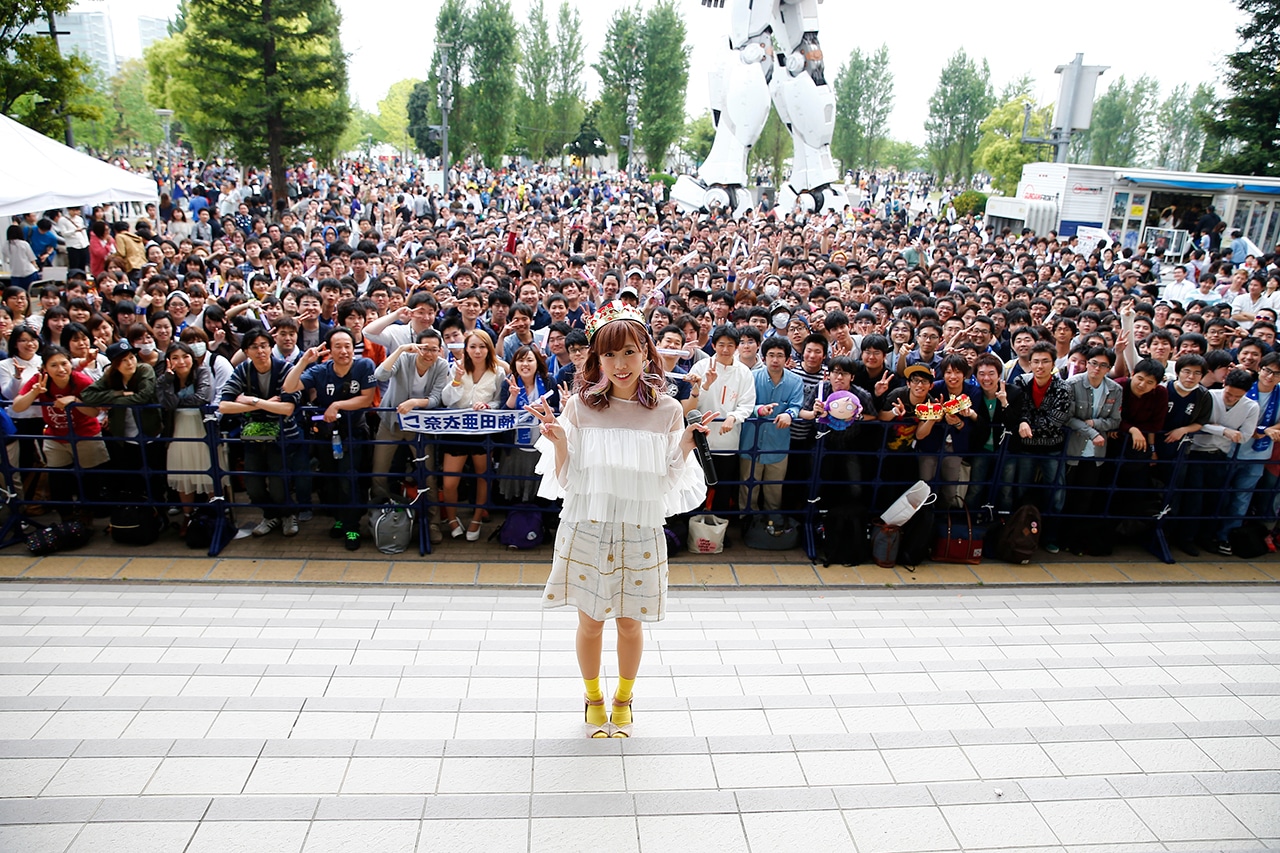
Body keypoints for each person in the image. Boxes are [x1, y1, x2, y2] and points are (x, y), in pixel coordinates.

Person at [525, 301, 710, 738]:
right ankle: (592, 697)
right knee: (590, 620)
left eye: (629, 352)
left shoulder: (667, 410)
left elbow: (665, 482)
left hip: (639, 528)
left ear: (647, 353)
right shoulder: (578, 407)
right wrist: (558, 442)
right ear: (596, 358)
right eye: (609, 355)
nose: (620, 364)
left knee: (630, 620)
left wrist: (685, 441)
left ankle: (624, 698)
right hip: (587, 524)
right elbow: (570, 480)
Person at [284, 327, 377, 550]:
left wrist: (336, 405)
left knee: (349, 480)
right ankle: (340, 520)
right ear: (329, 349)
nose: (344, 351)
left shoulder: (364, 365)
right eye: (338, 346)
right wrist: (304, 361)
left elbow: (366, 399)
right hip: (325, 435)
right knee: (331, 480)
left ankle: (353, 526)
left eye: (348, 346)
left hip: (353, 434)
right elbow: (289, 387)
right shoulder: (320, 370)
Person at [219, 328, 301, 537]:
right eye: (254, 347)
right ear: (246, 351)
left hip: (282, 436)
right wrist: (264, 405)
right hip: (253, 436)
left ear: (270, 347)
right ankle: (269, 514)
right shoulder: (243, 371)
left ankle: (287, 515)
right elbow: (225, 406)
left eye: (264, 346)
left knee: (278, 483)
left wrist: (251, 401)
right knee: (253, 485)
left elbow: (287, 408)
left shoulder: (285, 369)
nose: (260, 351)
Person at [371, 329, 449, 543]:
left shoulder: (442, 366)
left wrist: (415, 402)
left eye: (434, 349)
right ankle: (380, 517)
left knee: (429, 472)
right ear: (415, 347)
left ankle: (433, 522)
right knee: (379, 469)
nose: (428, 354)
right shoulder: (404, 358)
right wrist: (400, 350)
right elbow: (380, 375)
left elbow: (436, 399)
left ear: (440, 350)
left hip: (419, 425)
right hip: (391, 422)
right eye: (424, 348)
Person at [11, 345, 106, 520]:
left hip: (86, 434)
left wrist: (75, 401)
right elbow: (17, 406)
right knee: (58, 478)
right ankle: (67, 517)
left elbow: (95, 412)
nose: (61, 369)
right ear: (45, 367)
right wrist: (34, 392)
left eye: (64, 363)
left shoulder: (81, 381)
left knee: (90, 477)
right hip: (55, 435)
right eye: (54, 365)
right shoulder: (39, 380)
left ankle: (88, 515)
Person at [439, 329, 505, 540]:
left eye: (482, 346)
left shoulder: (497, 372)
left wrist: (488, 406)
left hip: (482, 430)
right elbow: (447, 400)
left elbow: (498, 401)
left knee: (483, 477)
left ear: (489, 349)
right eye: (473, 347)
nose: (477, 351)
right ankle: (451, 519)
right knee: (449, 482)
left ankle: (476, 519)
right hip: (456, 429)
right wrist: (457, 380)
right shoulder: (455, 368)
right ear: (466, 349)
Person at [82, 340, 164, 502]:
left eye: (131, 358)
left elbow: (143, 397)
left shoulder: (144, 370)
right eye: (123, 360)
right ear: (115, 364)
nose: (129, 363)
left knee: (156, 475)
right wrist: (117, 394)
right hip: (124, 435)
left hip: (151, 431)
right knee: (132, 478)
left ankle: (159, 508)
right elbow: (87, 395)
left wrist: (110, 403)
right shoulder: (110, 377)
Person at [156, 340, 220, 533]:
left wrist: (176, 402)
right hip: (177, 430)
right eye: (175, 357)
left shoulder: (203, 372)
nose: (181, 361)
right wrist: (168, 382)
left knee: (210, 472)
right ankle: (187, 516)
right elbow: (166, 404)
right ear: (168, 361)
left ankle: (217, 514)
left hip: (202, 428)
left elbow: (202, 398)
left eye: (185, 356)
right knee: (183, 473)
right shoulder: (164, 379)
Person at [738, 337, 803, 515]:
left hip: (778, 444)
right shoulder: (751, 377)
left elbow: (796, 405)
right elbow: (743, 404)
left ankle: (771, 522)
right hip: (750, 441)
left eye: (780, 356)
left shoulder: (795, 381)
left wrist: (789, 414)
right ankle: (747, 520)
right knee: (747, 487)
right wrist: (759, 409)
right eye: (771, 355)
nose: (775, 360)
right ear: (764, 357)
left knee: (774, 489)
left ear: (787, 358)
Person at [499, 343, 552, 503]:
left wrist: (545, 410)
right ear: (514, 363)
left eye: (530, 360)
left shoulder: (548, 381)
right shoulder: (508, 383)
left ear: (537, 362)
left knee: (539, 488)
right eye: (520, 361)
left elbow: (558, 408)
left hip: (542, 443)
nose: (525, 364)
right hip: (515, 445)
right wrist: (513, 397)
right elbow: (502, 416)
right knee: (515, 487)